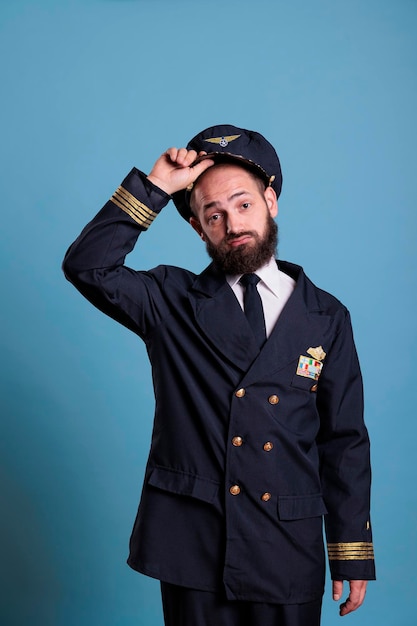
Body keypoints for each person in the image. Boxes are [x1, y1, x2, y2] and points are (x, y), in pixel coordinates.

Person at [63, 124, 375, 626]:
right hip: (195, 544)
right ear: (198, 228)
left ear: (270, 200)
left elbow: (344, 440)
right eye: (214, 214)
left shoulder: (327, 316)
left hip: (287, 544)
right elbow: (88, 266)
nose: (232, 224)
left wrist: (351, 549)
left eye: (243, 204)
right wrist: (155, 187)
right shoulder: (169, 299)